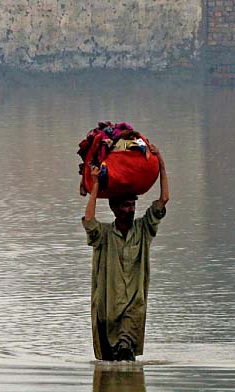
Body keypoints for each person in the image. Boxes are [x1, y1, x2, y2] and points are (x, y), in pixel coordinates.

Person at [81, 143, 169, 361]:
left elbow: (163, 200)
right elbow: (90, 221)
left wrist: (162, 165)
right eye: (125, 206)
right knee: (112, 361)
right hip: (108, 310)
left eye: (131, 205)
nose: (129, 209)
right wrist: (94, 187)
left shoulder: (144, 229)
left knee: (125, 351)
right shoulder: (104, 236)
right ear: (113, 208)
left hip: (133, 308)